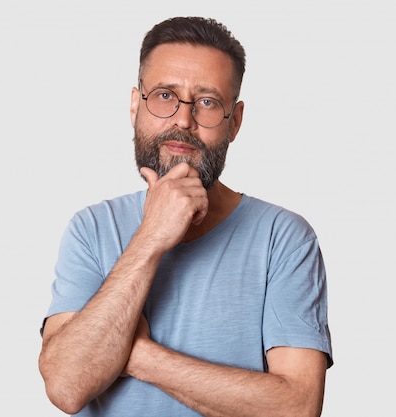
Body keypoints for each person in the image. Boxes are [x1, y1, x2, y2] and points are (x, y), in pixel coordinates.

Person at [38, 16, 333, 417]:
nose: (182, 119)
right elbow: (66, 386)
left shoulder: (284, 238)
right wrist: (152, 237)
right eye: (164, 95)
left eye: (208, 102)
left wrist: (139, 355)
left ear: (236, 122)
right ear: (133, 106)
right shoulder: (91, 228)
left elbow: (296, 407)